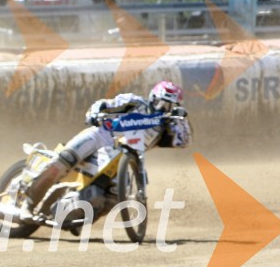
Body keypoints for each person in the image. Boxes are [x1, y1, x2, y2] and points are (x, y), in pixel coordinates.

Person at [19, 81, 193, 219]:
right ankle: (28, 204)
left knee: (113, 198)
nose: (162, 108)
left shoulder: (165, 128)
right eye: (160, 102)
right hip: (100, 137)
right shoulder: (135, 102)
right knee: (63, 162)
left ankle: (74, 214)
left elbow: (185, 141)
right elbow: (104, 104)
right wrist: (95, 113)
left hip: (125, 158)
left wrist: (181, 119)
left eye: (168, 106)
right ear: (152, 97)